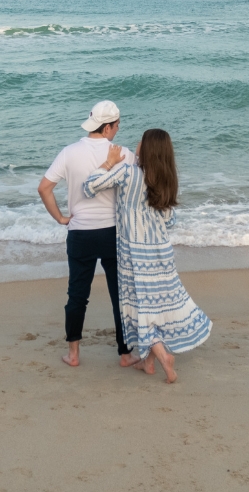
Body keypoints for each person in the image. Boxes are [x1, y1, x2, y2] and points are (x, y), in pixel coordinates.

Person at [82, 128, 211, 384]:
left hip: (134, 251)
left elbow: (89, 186)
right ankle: (148, 362)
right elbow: (169, 219)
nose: (137, 142)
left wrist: (109, 162)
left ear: (148, 148)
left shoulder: (129, 173)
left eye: (141, 140)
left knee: (140, 305)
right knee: (155, 304)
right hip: (160, 250)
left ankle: (163, 356)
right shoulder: (165, 180)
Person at [37, 100, 140, 369]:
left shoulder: (69, 152)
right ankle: (126, 354)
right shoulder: (123, 153)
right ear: (107, 127)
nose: (117, 130)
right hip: (112, 234)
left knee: (77, 295)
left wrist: (61, 218)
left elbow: (44, 188)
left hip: (80, 234)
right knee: (120, 296)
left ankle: (73, 354)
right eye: (116, 126)